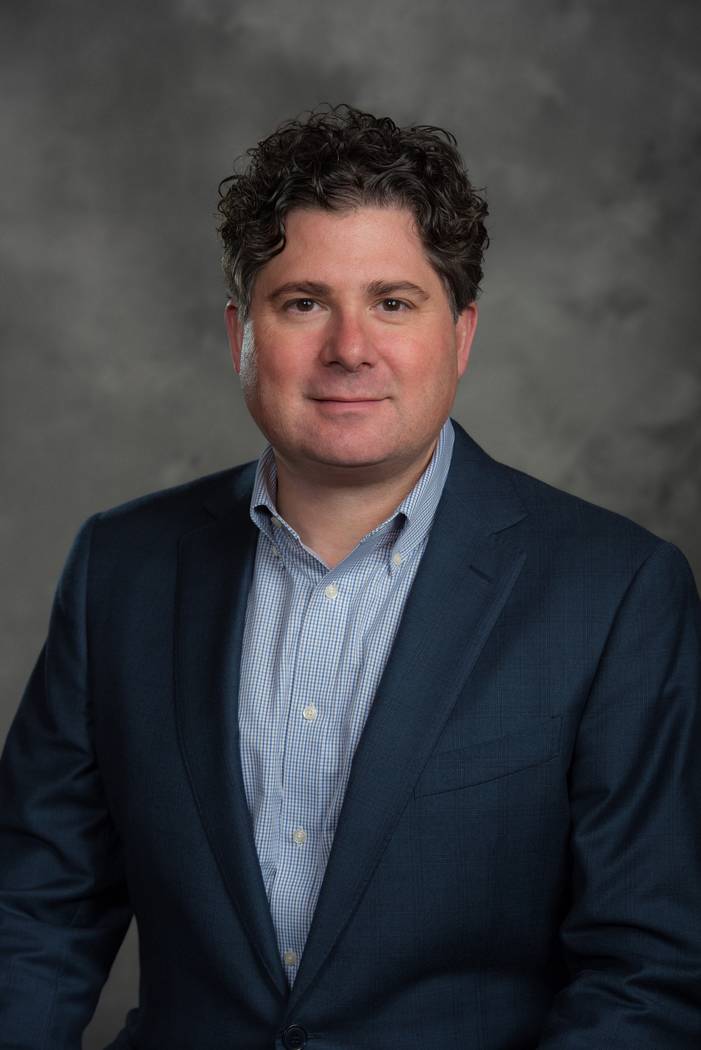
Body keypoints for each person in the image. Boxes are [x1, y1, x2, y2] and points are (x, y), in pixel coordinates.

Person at [1, 104, 700, 1050]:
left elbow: (645, 973)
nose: (349, 348)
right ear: (241, 334)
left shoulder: (614, 593)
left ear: (461, 334)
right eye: (303, 303)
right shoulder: (120, 567)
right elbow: (32, 913)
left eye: (393, 302)